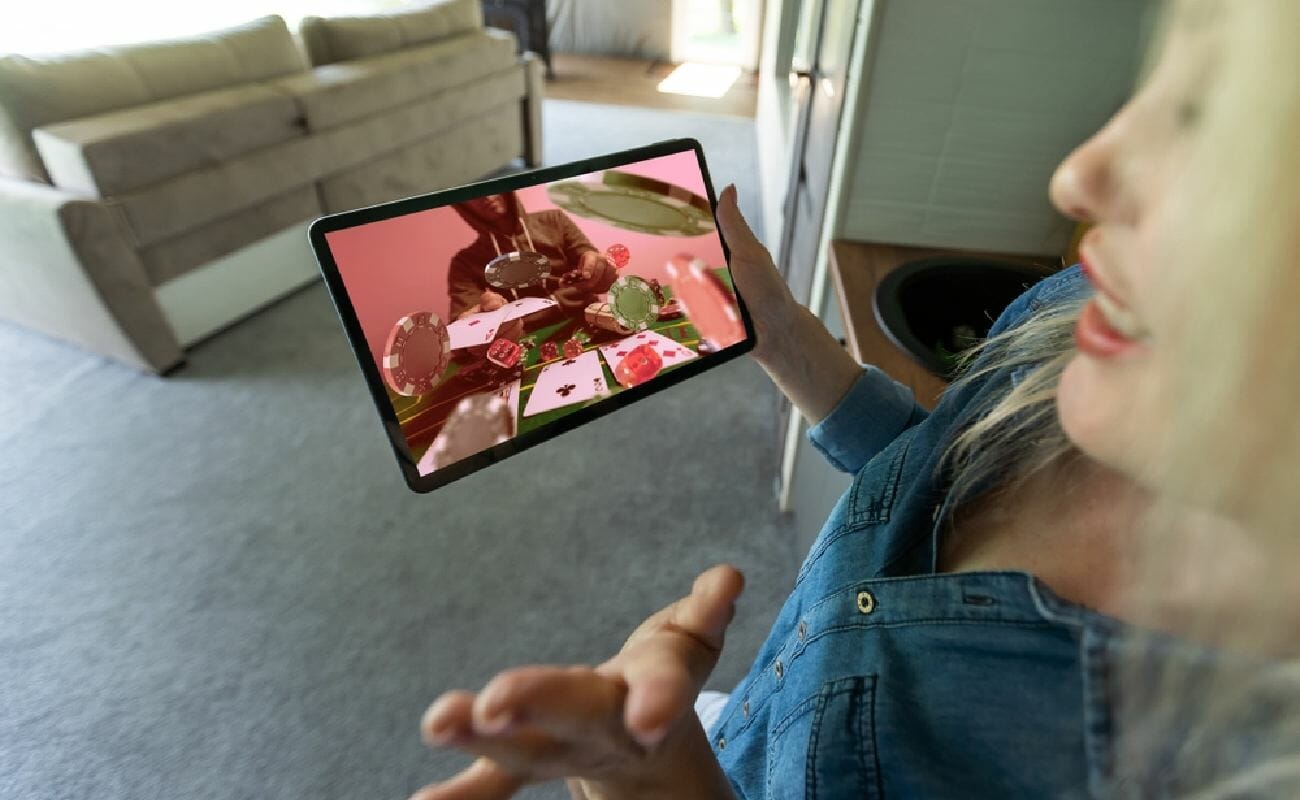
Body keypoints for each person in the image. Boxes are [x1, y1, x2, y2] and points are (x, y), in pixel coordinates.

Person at [408, 0, 1300, 796]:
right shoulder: (1079, 315)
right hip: (749, 716)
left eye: (1226, 124)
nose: (1081, 175)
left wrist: (649, 782)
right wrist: (784, 334)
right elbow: (944, 463)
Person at [448, 192, 617, 321]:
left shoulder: (555, 220)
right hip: (519, 345)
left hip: (585, 320)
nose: (484, 195)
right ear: (461, 205)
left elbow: (601, 276)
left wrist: (600, 270)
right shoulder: (464, 263)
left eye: (486, 181)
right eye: (471, 190)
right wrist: (479, 314)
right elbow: (461, 325)